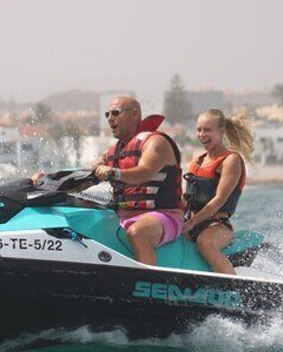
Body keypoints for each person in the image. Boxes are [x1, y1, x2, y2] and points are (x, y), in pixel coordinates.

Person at [34, 95, 183, 265]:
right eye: (107, 114)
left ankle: (147, 284)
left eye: (115, 113)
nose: (110, 118)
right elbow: (85, 177)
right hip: (122, 216)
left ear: (134, 114)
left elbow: (144, 172)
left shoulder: (156, 143)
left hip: (164, 216)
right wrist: (46, 181)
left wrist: (114, 173)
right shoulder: (113, 151)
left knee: (137, 233)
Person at [181, 109, 254, 275]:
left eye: (207, 130)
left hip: (217, 226)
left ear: (221, 132)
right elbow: (186, 200)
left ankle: (233, 286)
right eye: (199, 129)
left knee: (205, 243)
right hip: (192, 224)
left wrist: (192, 223)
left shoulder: (231, 160)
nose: (202, 134)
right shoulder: (197, 162)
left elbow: (219, 199)